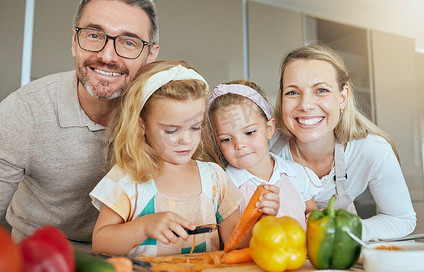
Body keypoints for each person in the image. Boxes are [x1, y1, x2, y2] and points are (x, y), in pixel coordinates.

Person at [0, 0, 159, 251]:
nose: (108, 56)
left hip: (132, 259)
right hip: (41, 257)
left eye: (128, 42)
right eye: (94, 35)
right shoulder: (24, 111)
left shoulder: (164, 115)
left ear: (150, 55)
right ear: (75, 41)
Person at [89, 60, 258, 257]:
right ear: (141, 125)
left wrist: (261, 217)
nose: (186, 139)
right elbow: (101, 243)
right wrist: (144, 226)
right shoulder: (127, 178)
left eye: (195, 127)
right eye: (171, 130)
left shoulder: (214, 178)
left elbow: (234, 242)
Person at [271, 43, 416, 241]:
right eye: (292, 92)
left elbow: (401, 219)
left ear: (343, 97)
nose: (305, 105)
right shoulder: (266, 151)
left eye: (321, 90)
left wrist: (344, 231)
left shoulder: (372, 150)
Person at [206, 79, 319, 230]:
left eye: (249, 132)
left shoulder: (297, 173)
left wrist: (320, 218)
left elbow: (312, 214)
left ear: (269, 128)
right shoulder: (224, 186)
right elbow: (230, 238)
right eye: (226, 139)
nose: (239, 145)